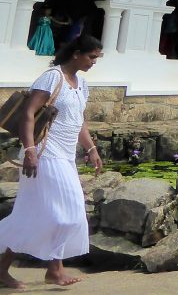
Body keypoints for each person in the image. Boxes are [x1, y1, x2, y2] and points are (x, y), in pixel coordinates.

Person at [0, 35, 104, 288]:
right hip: (45, 154)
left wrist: (90, 148)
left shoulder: (82, 84)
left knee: (42, 213)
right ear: (77, 53)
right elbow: (28, 113)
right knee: (66, 214)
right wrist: (30, 151)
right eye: (91, 57)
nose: (93, 62)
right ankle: (49, 269)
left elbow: (78, 121)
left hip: (66, 156)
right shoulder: (52, 77)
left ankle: (45, 270)